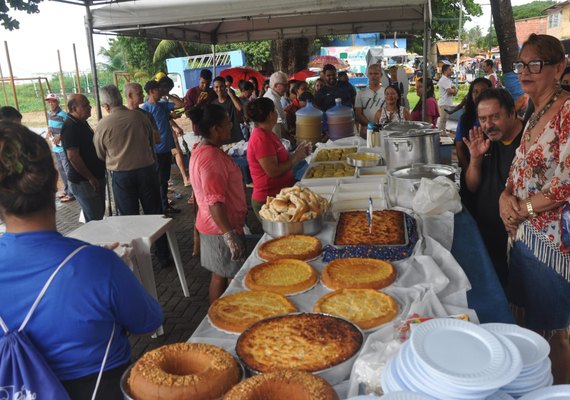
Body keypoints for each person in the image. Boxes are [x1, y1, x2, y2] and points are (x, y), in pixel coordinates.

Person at [0, 122, 163, 399]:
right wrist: (108, 267)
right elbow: (148, 321)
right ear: (55, 179)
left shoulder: (95, 263)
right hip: (101, 388)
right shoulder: (100, 265)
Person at [499, 33, 570, 384]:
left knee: (552, 330)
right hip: (523, 234)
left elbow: (565, 184)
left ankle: (557, 390)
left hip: (552, 242)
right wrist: (504, 198)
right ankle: (530, 386)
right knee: (525, 322)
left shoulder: (568, 110)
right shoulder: (532, 108)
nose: (525, 71)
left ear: (559, 67)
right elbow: (520, 165)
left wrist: (521, 208)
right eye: (521, 64)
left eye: (535, 64)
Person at [462, 88, 523, 287]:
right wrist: (476, 159)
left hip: (514, 244)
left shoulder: (528, 143)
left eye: (495, 117)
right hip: (486, 237)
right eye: (483, 119)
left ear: (512, 112)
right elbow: (472, 186)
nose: (488, 125)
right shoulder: (488, 141)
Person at [187, 104, 248, 302]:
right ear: (215, 129)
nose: (230, 127)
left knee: (221, 274)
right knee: (222, 277)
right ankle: (218, 317)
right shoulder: (211, 158)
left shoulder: (200, 149)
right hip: (219, 228)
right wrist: (228, 234)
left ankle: (219, 315)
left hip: (213, 225)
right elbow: (214, 202)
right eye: (227, 124)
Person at [245, 97, 311, 218]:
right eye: (275, 111)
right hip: (269, 199)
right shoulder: (260, 139)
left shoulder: (269, 133)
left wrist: (298, 153)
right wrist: (296, 157)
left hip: (281, 194)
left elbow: (281, 160)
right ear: (271, 115)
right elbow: (273, 171)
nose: (277, 114)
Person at [61, 94, 106, 222]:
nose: (89, 107)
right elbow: (73, 157)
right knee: (95, 220)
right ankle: (97, 241)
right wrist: (90, 177)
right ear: (74, 108)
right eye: (85, 105)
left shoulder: (81, 122)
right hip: (84, 181)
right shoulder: (70, 126)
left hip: (93, 177)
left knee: (98, 215)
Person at [141, 80, 181, 215]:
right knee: (159, 180)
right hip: (156, 150)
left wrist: (168, 94)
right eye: (159, 89)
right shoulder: (145, 109)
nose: (162, 91)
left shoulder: (163, 105)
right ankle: (161, 208)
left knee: (164, 179)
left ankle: (165, 205)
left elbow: (180, 104)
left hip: (166, 148)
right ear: (152, 91)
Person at [454, 77, 493, 172]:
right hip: (469, 167)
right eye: (475, 92)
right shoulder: (465, 119)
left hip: (491, 170)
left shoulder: (496, 117)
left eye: (483, 91)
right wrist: (468, 171)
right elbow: (459, 147)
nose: (479, 95)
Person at [44, 93, 75, 204]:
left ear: (58, 102)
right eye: (49, 102)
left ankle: (72, 194)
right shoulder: (49, 114)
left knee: (67, 170)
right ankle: (67, 191)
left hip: (63, 147)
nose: (51, 104)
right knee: (61, 170)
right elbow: (50, 126)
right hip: (55, 147)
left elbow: (69, 128)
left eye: (53, 101)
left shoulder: (63, 115)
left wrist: (60, 136)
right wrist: (49, 130)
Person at [183, 69, 217, 136]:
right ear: (199, 79)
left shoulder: (213, 92)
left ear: (211, 81)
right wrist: (198, 104)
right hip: (198, 130)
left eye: (207, 84)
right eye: (202, 83)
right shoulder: (191, 92)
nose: (204, 86)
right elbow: (187, 113)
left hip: (212, 129)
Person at [212, 76, 244, 143]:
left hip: (237, 138)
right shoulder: (213, 104)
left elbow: (240, 108)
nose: (219, 89)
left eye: (221, 86)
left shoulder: (232, 99)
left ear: (225, 87)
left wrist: (231, 95)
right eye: (216, 87)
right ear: (213, 88)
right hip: (223, 140)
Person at [355, 63, 385, 135]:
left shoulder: (386, 92)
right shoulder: (360, 93)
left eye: (376, 73)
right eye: (370, 74)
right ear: (368, 75)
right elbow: (358, 114)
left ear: (381, 75)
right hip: (366, 131)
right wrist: (373, 127)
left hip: (383, 130)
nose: (373, 76)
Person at [262, 71, 289, 138]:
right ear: (276, 85)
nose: (286, 88)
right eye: (284, 85)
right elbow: (278, 124)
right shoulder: (272, 99)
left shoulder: (275, 97)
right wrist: (289, 137)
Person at [437, 64, 457, 132]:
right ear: (445, 71)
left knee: (444, 120)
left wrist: (453, 90)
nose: (451, 71)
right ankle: (441, 133)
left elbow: (454, 92)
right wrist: (454, 90)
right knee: (443, 120)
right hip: (444, 102)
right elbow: (450, 91)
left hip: (447, 102)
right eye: (450, 70)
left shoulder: (448, 80)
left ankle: (443, 132)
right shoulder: (444, 80)